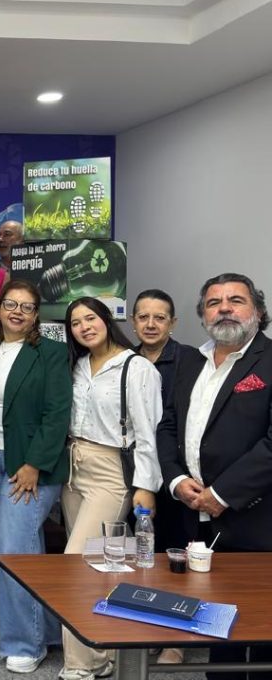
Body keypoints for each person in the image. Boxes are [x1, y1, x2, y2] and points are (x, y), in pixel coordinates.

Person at [157, 273, 272, 680]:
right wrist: (176, 480)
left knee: (261, 631)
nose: (224, 308)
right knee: (217, 629)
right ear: (203, 314)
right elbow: (168, 425)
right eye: (213, 302)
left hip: (256, 520)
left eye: (236, 300)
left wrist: (221, 494)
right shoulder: (191, 361)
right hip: (195, 515)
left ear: (257, 310)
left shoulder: (269, 361)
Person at [60, 297, 162, 680]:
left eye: (90, 318)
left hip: (111, 472)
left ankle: (79, 666)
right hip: (74, 469)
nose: (84, 327)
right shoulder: (78, 365)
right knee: (102, 567)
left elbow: (148, 433)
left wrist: (145, 486)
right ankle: (106, 655)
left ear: (106, 319)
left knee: (75, 564)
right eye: (75, 323)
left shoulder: (136, 367)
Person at [0, 281, 71, 674]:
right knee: (10, 549)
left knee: (16, 552)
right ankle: (41, 629)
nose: (17, 311)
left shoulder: (51, 352)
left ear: (36, 316)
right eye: (11, 304)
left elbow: (57, 412)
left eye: (27, 307)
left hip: (28, 464)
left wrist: (34, 463)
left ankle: (24, 643)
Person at [131, 288, 193, 666]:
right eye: (143, 317)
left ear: (173, 322)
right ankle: (149, 629)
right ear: (132, 321)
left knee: (176, 554)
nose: (151, 324)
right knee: (144, 555)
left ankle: (176, 638)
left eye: (159, 317)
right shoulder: (126, 359)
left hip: (176, 474)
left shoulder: (191, 360)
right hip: (139, 474)